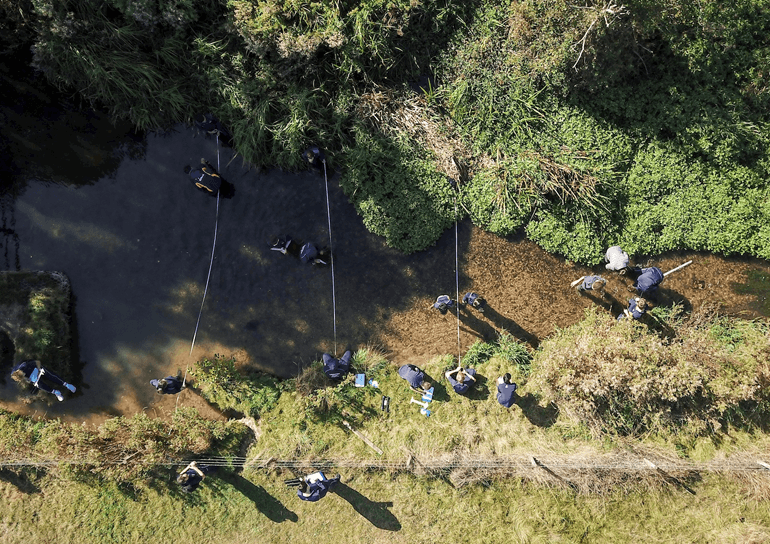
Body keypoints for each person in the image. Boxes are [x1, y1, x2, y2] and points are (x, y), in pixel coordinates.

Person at [11, 360, 76, 402]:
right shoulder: (15, 376)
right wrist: (31, 381)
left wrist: (39, 370)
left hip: (36, 368)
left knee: (50, 376)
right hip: (32, 376)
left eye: (23, 375)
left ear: (21, 371)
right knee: (39, 385)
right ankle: (56, 392)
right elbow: (26, 379)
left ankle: (67, 385)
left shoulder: (25, 365)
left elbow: (37, 362)